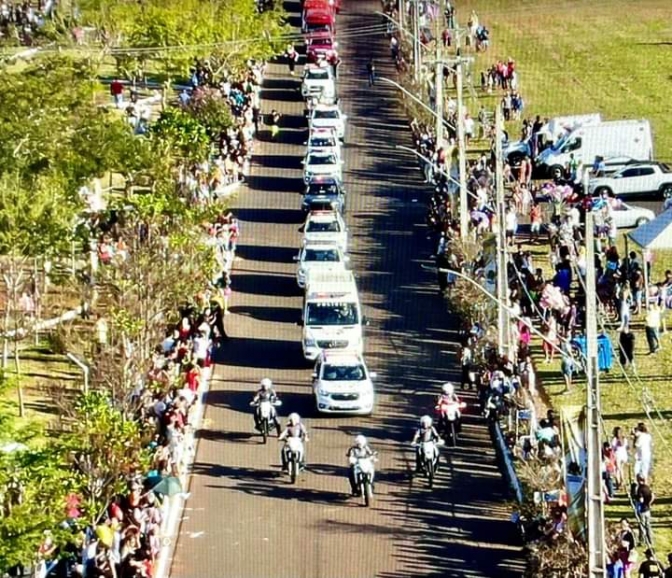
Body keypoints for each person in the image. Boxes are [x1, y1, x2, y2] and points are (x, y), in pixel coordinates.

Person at [635, 474, 655, 546]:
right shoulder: (647, 487)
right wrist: (649, 503)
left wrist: (637, 499)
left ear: (638, 480)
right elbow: (653, 496)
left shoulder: (640, 489)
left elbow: (641, 500)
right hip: (648, 510)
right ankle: (650, 540)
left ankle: (641, 541)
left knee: (641, 525)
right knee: (648, 525)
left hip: (642, 510)